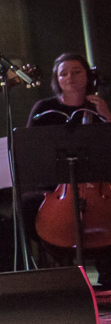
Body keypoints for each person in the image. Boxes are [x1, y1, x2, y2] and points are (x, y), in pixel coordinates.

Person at [24, 52, 110, 288]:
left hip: (99, 186)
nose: (70, 77)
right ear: (57, 79)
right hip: (55, 189)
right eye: (64, 73)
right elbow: (30, 151)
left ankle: (107, 274)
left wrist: (107, 117)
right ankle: (59, 266)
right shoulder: (44, 108)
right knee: (26, 205)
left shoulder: (101, 106)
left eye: (76, 71)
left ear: (88, 76)